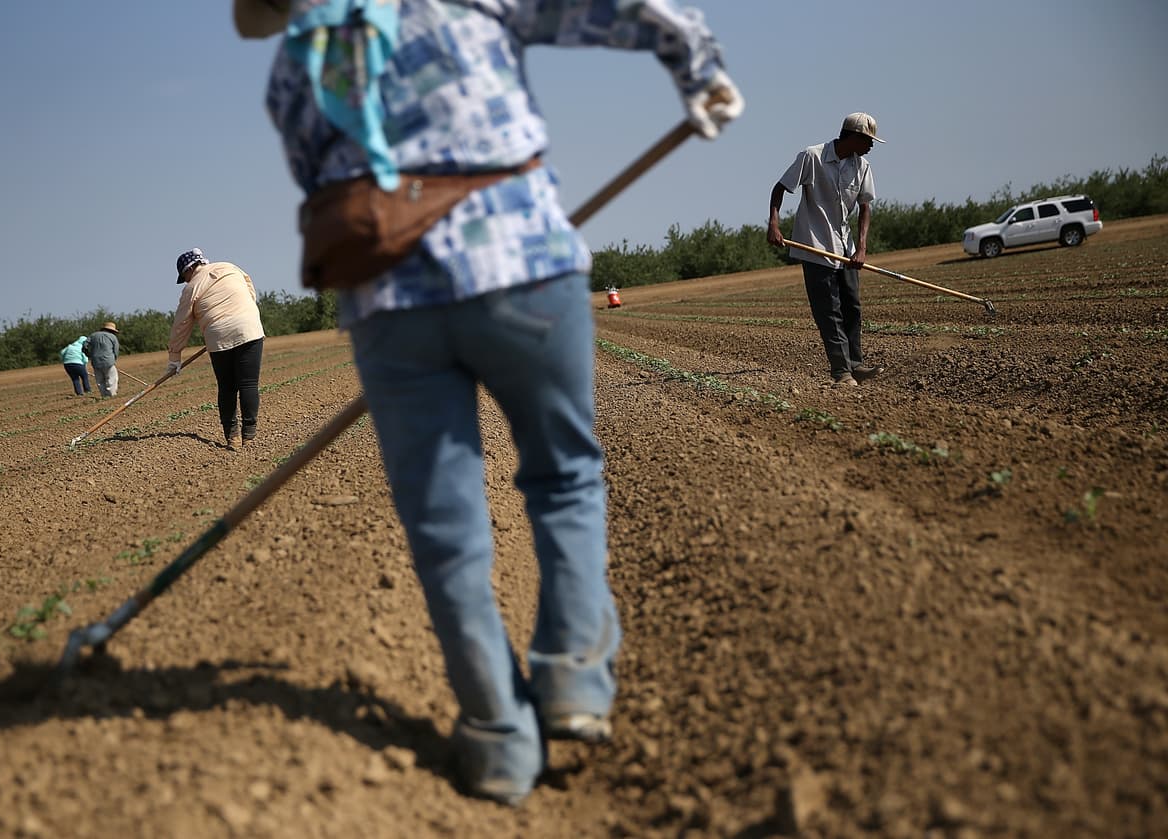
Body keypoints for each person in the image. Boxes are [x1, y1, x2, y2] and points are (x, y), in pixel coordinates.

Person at [235, 0, 743, 806]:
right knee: (565, 475)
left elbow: (338, 186)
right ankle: (575, 684)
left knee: (445, 534)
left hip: (390, 308)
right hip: (522, 266)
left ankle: (500, 742)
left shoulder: (293, 67)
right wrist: (700, 66)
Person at [767, 112, 885, 387]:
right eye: (868, 140)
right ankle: (841, 372)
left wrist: (862, 248)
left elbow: (865, 207)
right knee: (828, 311)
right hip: (814, 245)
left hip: (846, 249)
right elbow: (779, 188)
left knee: (852, 307)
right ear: (853, 136)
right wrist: (774, 224)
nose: (871, 145)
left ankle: (856, 364)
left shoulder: (863, 166)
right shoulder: (813, 157)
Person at [166, 248, 266, 449]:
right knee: (248, 384)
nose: (185, 281)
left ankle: (232, 436)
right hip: (249, 327)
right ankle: (249, 434)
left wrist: (174, 357)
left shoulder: (191, 287)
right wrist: (247, 312)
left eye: (184, 276)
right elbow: (249, 288)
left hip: (218, 334)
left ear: (189, 269)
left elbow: (181, 324)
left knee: (227, 387)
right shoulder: (229, 267)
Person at [84, 321, 121, 398]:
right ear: (112, 331)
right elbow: (116, 350)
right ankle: (112, 395)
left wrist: (89, 355)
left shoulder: (93, 335)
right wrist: (114, 359)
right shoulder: (112, 337)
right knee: (111, 379)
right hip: (109, 361)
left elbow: (84, 346)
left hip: (95, 361)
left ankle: (104, 396)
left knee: (100, 380)